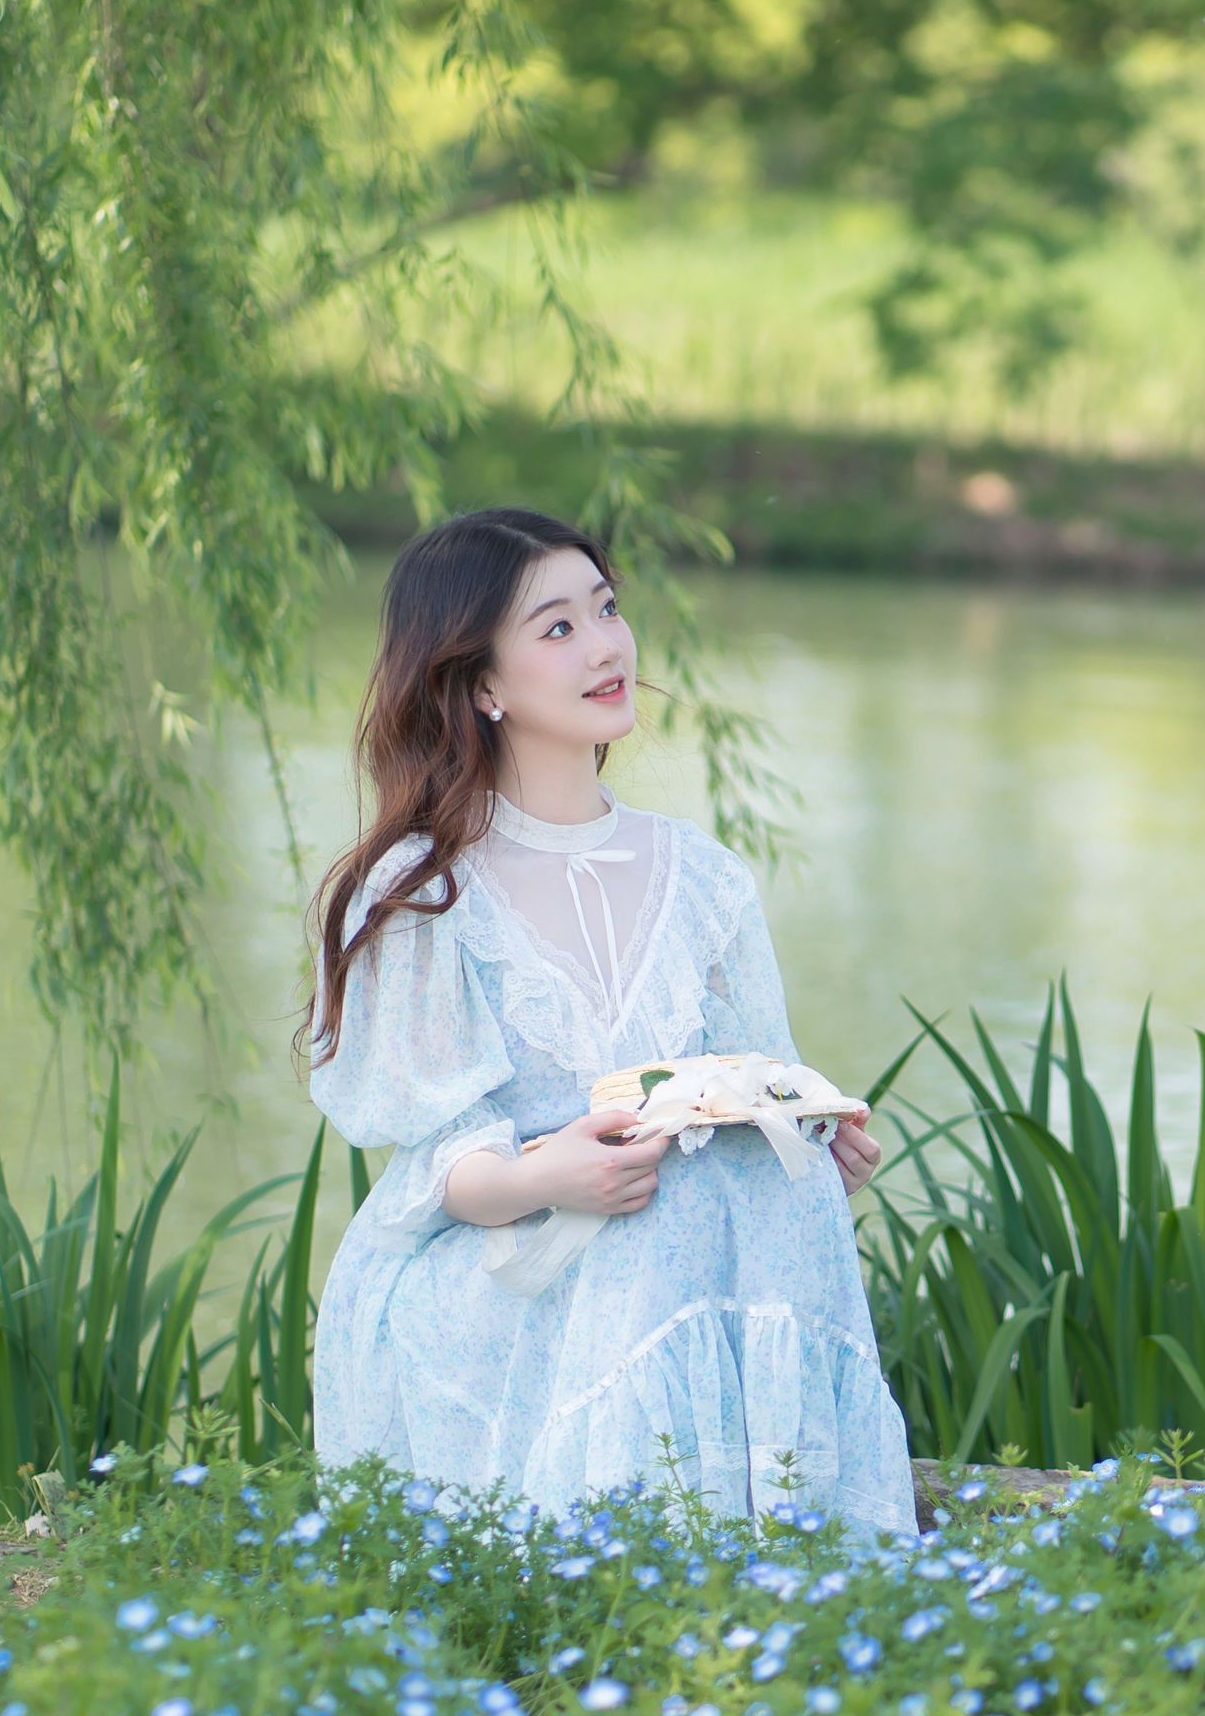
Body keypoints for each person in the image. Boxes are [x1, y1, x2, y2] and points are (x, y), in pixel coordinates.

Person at [302, 508, 916, 1533]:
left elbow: (749, 1076)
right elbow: (438, 1164)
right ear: (482, 683)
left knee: (767, 1188)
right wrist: (549, 1174)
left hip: (647, 1234)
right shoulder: (420, 890)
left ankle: (802, 1547)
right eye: (557, 628)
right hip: (494, 1262)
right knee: (652, 1211)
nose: (606, 646)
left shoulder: (704, 879)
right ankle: (634, 1559)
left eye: (608, 609)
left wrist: (806, 1131)